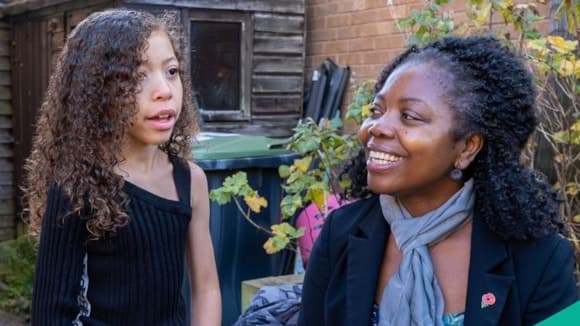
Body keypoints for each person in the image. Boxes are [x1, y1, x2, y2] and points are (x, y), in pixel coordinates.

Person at [298, 35, 578, 326]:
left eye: (409, 116)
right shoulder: (340, 233)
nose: (377, 128)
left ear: (468, 147)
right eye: (376, 111)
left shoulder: (540, 258)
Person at [23, 9, 221, 325]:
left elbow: (206, 288)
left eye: (171, 71)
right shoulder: (77, 187)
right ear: (97, 92)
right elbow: (51, 312)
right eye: (137, 76)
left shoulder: (190, 180)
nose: (164, 90)